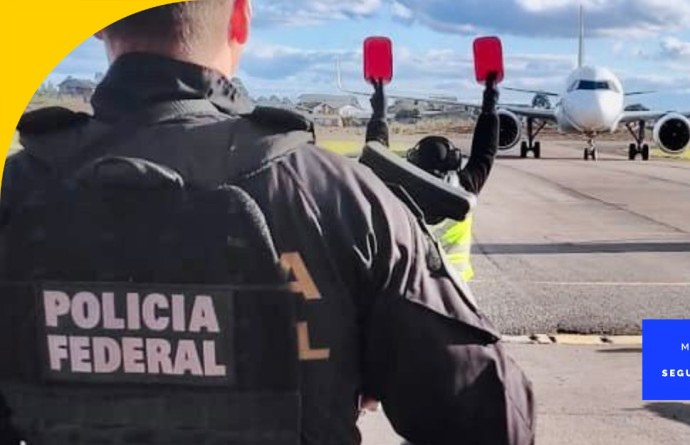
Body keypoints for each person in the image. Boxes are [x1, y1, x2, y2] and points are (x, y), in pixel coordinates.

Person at [0, 1, 534, 444]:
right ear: (240, 18)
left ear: (97, 23)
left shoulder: (16, 192)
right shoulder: (339, 197)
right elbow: (491, 423)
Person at [365, 74, 499, 283]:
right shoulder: (464, 188)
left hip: (411, 284)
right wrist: (490, 105)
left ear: (414, 161)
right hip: (455, 285)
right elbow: (485, 152)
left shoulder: (398, 190)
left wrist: (379, 112)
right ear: (454, 161)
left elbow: (376, 152)